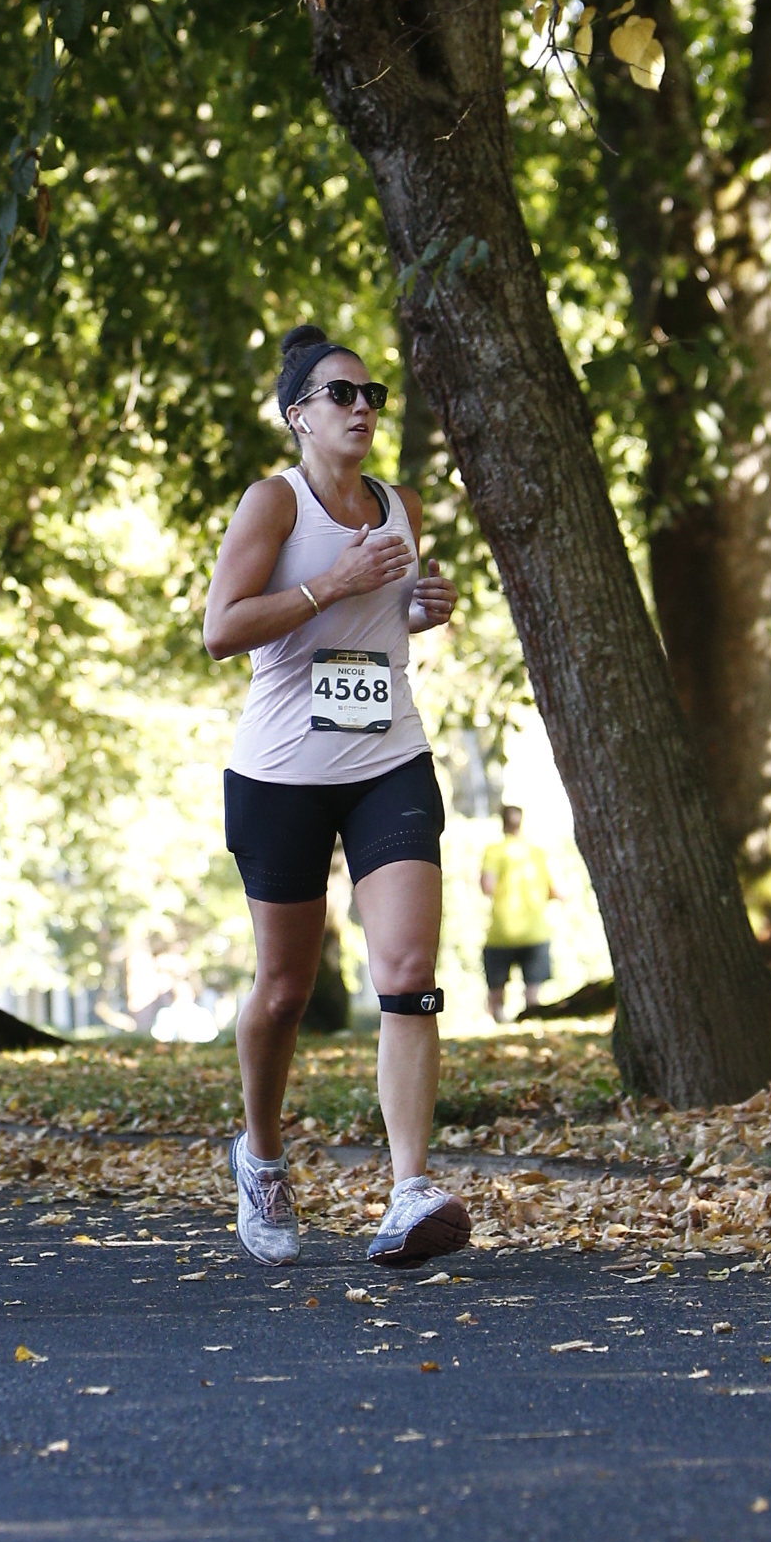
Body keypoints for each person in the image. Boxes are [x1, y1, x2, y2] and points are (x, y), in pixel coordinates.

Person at [202, 325, 465, 1271]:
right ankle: (263, 1156)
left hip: (389, 759)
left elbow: (384, 625)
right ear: (298, 415)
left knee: (409, 969)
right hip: (282, 774)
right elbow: (221, 629)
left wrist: (419, 610)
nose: (361, 408)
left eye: (371, 395)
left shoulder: (402, 505)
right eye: (340, 394)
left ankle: (410, 1187)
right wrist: (331, 582)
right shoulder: (273, 502)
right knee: (285, 991)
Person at [480, 801, 561, 1021]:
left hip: (501, 932)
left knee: (496, 989)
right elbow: (555, 890)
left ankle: (501, 1023)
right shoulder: (537, 852)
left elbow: (487, 886)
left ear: (502, 823)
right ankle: (531, 1020)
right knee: (533, 992)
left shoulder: (494, 851)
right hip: (535, 931)